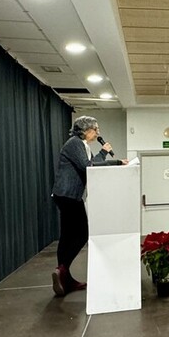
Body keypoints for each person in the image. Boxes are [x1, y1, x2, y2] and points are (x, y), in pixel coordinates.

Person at [51, 116, 126, 297]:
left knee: (67, 235)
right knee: (82, 233)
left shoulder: (82, 145)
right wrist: (108, 155)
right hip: (68, 195)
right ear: (85, 130)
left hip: (69, 195)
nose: (98, 133)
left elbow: (94, 165)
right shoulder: (75, 143)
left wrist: (111, 160)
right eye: (95, 129)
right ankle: (62, 269)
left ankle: (65, 277)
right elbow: (89, 167)